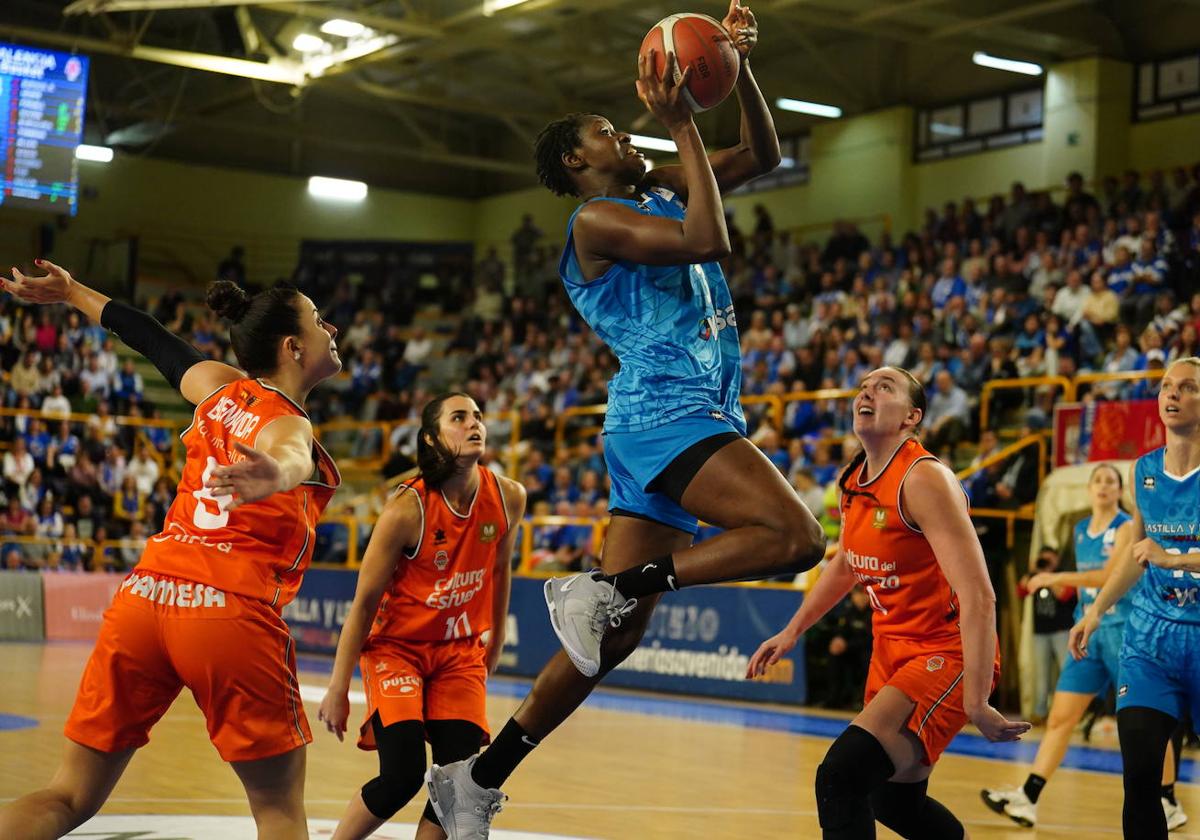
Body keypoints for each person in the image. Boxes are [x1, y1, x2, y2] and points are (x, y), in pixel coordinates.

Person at [424, 4, 825, 837]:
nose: (624, 133)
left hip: (672, 421)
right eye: (609, 131)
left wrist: (737, 68)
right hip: (668, 417)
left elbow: (765, 155)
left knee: (609, 645)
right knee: (797, 538)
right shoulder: (597, 220)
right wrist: (679, 126)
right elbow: (709, 237)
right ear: (580, 161)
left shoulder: (654, 186)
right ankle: (604, 588)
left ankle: (474, 779)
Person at [0, 259, 342, 840]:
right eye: (319, 321)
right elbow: (291, 451)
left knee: (68, 794)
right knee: (279, 813)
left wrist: (72, 292)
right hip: (228, 610)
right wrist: (278, 475)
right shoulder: (289, 424)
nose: (330, 329)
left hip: (146, 596)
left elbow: (151, 338)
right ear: (293, 346)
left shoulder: (215, 384)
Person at [747, 366, 1029, 840]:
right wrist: (792, 630)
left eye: (884, 387)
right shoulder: (852, 477)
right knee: (891, 798)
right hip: (891, 652)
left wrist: (977, 700)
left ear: (911, 417)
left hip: (947, 653)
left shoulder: (924, 479)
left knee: (841, 776)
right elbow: (846, 564)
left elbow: (979, 594)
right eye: (863, 387)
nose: (867, 392)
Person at [317, 393, 525, 840]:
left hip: (459, 653)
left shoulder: (509, 496)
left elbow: (501, 568)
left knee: (458, 787)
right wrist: (338, 686)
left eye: (478, 416)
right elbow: (363, 603)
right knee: (402, 776)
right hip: (398, 651)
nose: (474, 424)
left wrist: (498, 638)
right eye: (459, 417)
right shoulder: (406, 509)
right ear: (432, 438)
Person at [980, 464, 1187, 830]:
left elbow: (1109, 576)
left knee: (1149, 724)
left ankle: (1168, 799)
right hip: (1089, 631)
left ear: (1120, 490)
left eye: (1111, 481)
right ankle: (1028, 796)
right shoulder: (1079, 530)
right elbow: (1087, 583)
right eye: (1099, 481)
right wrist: (1066, 589)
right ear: (1089, 491)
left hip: (1126, 631)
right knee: (1061, 718)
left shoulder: (1126, 527)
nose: (1104, 486)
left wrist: (1057, 576)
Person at [1070, 357, 1200, 840]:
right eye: (1168, 386)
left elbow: (1161, 555)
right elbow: (1136, 553)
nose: (1173, 394)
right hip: (1151, 641)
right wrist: (1098, 610)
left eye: (1187, 387)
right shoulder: (1144, 470)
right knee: (1140, 779)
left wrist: (1179, 560)